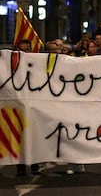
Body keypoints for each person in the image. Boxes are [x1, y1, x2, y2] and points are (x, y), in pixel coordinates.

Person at [14, 39, 41, 176]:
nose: (25, 53)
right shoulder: (11, 67)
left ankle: (35, 163)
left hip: (34, 106)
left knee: (35, 135)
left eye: (27, 50)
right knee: (20, 137)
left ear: (31, 50)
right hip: (18, 107)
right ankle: (21, 166)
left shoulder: (37, 64)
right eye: (22, 50)